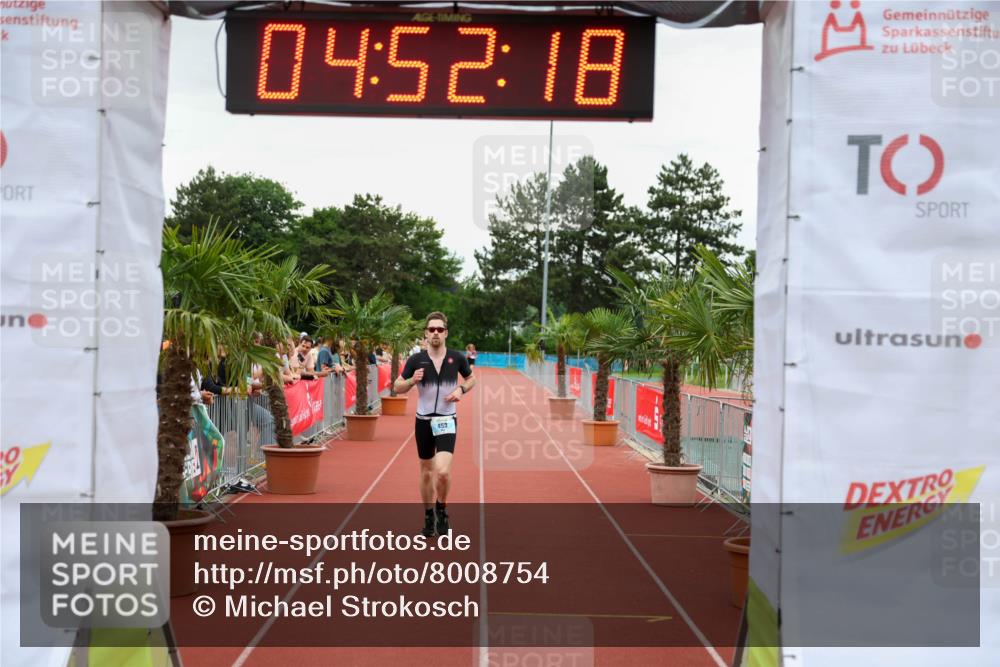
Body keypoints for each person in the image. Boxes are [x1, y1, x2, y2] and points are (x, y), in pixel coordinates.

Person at [394, 311, 476, 537]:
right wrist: (412, 380)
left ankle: (442, 508)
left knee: (442, 473)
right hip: (423, 422)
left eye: (440, 329)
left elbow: (471, 379)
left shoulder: (456, 358)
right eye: (432, 330)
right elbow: (397, 386)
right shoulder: (416, 360)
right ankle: (429, 516)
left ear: (446, 333)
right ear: (426, 334)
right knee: (427, 472)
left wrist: (460, 389)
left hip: (447, 420)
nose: (436, 333)